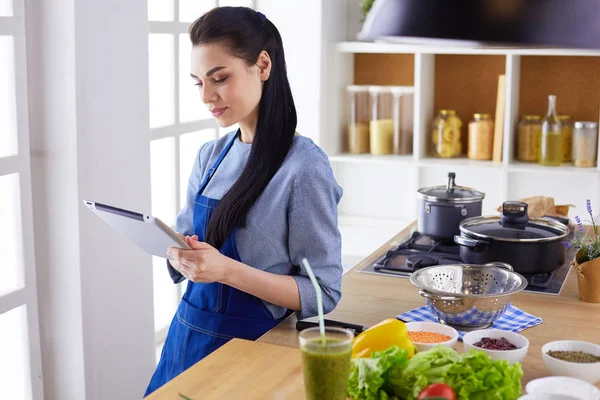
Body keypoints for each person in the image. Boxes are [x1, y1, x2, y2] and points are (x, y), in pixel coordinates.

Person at [144, 6, 344, 396]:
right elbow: (186, 235)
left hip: (251, 354)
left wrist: (224, 270)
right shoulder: (210, 155)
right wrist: (176, 251)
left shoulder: (303, 168)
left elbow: (322, 294)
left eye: (219, 78)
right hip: (186, 339)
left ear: (263, 65)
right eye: (198, 82)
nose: (207, 96)